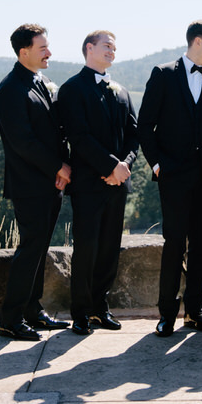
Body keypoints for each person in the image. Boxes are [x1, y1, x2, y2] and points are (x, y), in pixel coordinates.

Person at [137, 20, 202, 337]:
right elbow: (145, 125)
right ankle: (166, 314)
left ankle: (195, 312)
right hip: (173, 176)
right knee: (174, 243)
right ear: (197, 42)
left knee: (200, 246)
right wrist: (157, 165)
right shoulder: (163, 74)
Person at [0, 24, 71, 341]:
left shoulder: (41, 82)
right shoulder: (11, 89)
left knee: (39, 249)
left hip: (50, 182)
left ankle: (32, 310)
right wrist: (60, 167)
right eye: (42, 48)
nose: (49, 52)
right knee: (29, 250)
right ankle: (10, 319)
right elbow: (23, 142)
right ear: (24, 52)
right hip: (29, 184)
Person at [57, 30, 139, 335]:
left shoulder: (121, 91)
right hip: (90, 183)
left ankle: (100, 307)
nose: (112, 51)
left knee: (109, 248)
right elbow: (78, 137)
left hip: (118, 183)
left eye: (115, 47)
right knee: (87, 247)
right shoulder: (71, 89)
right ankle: (79, 312)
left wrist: (124, 166)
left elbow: (134, 135)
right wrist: (109, 166)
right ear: (89, 48)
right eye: (107, 46)